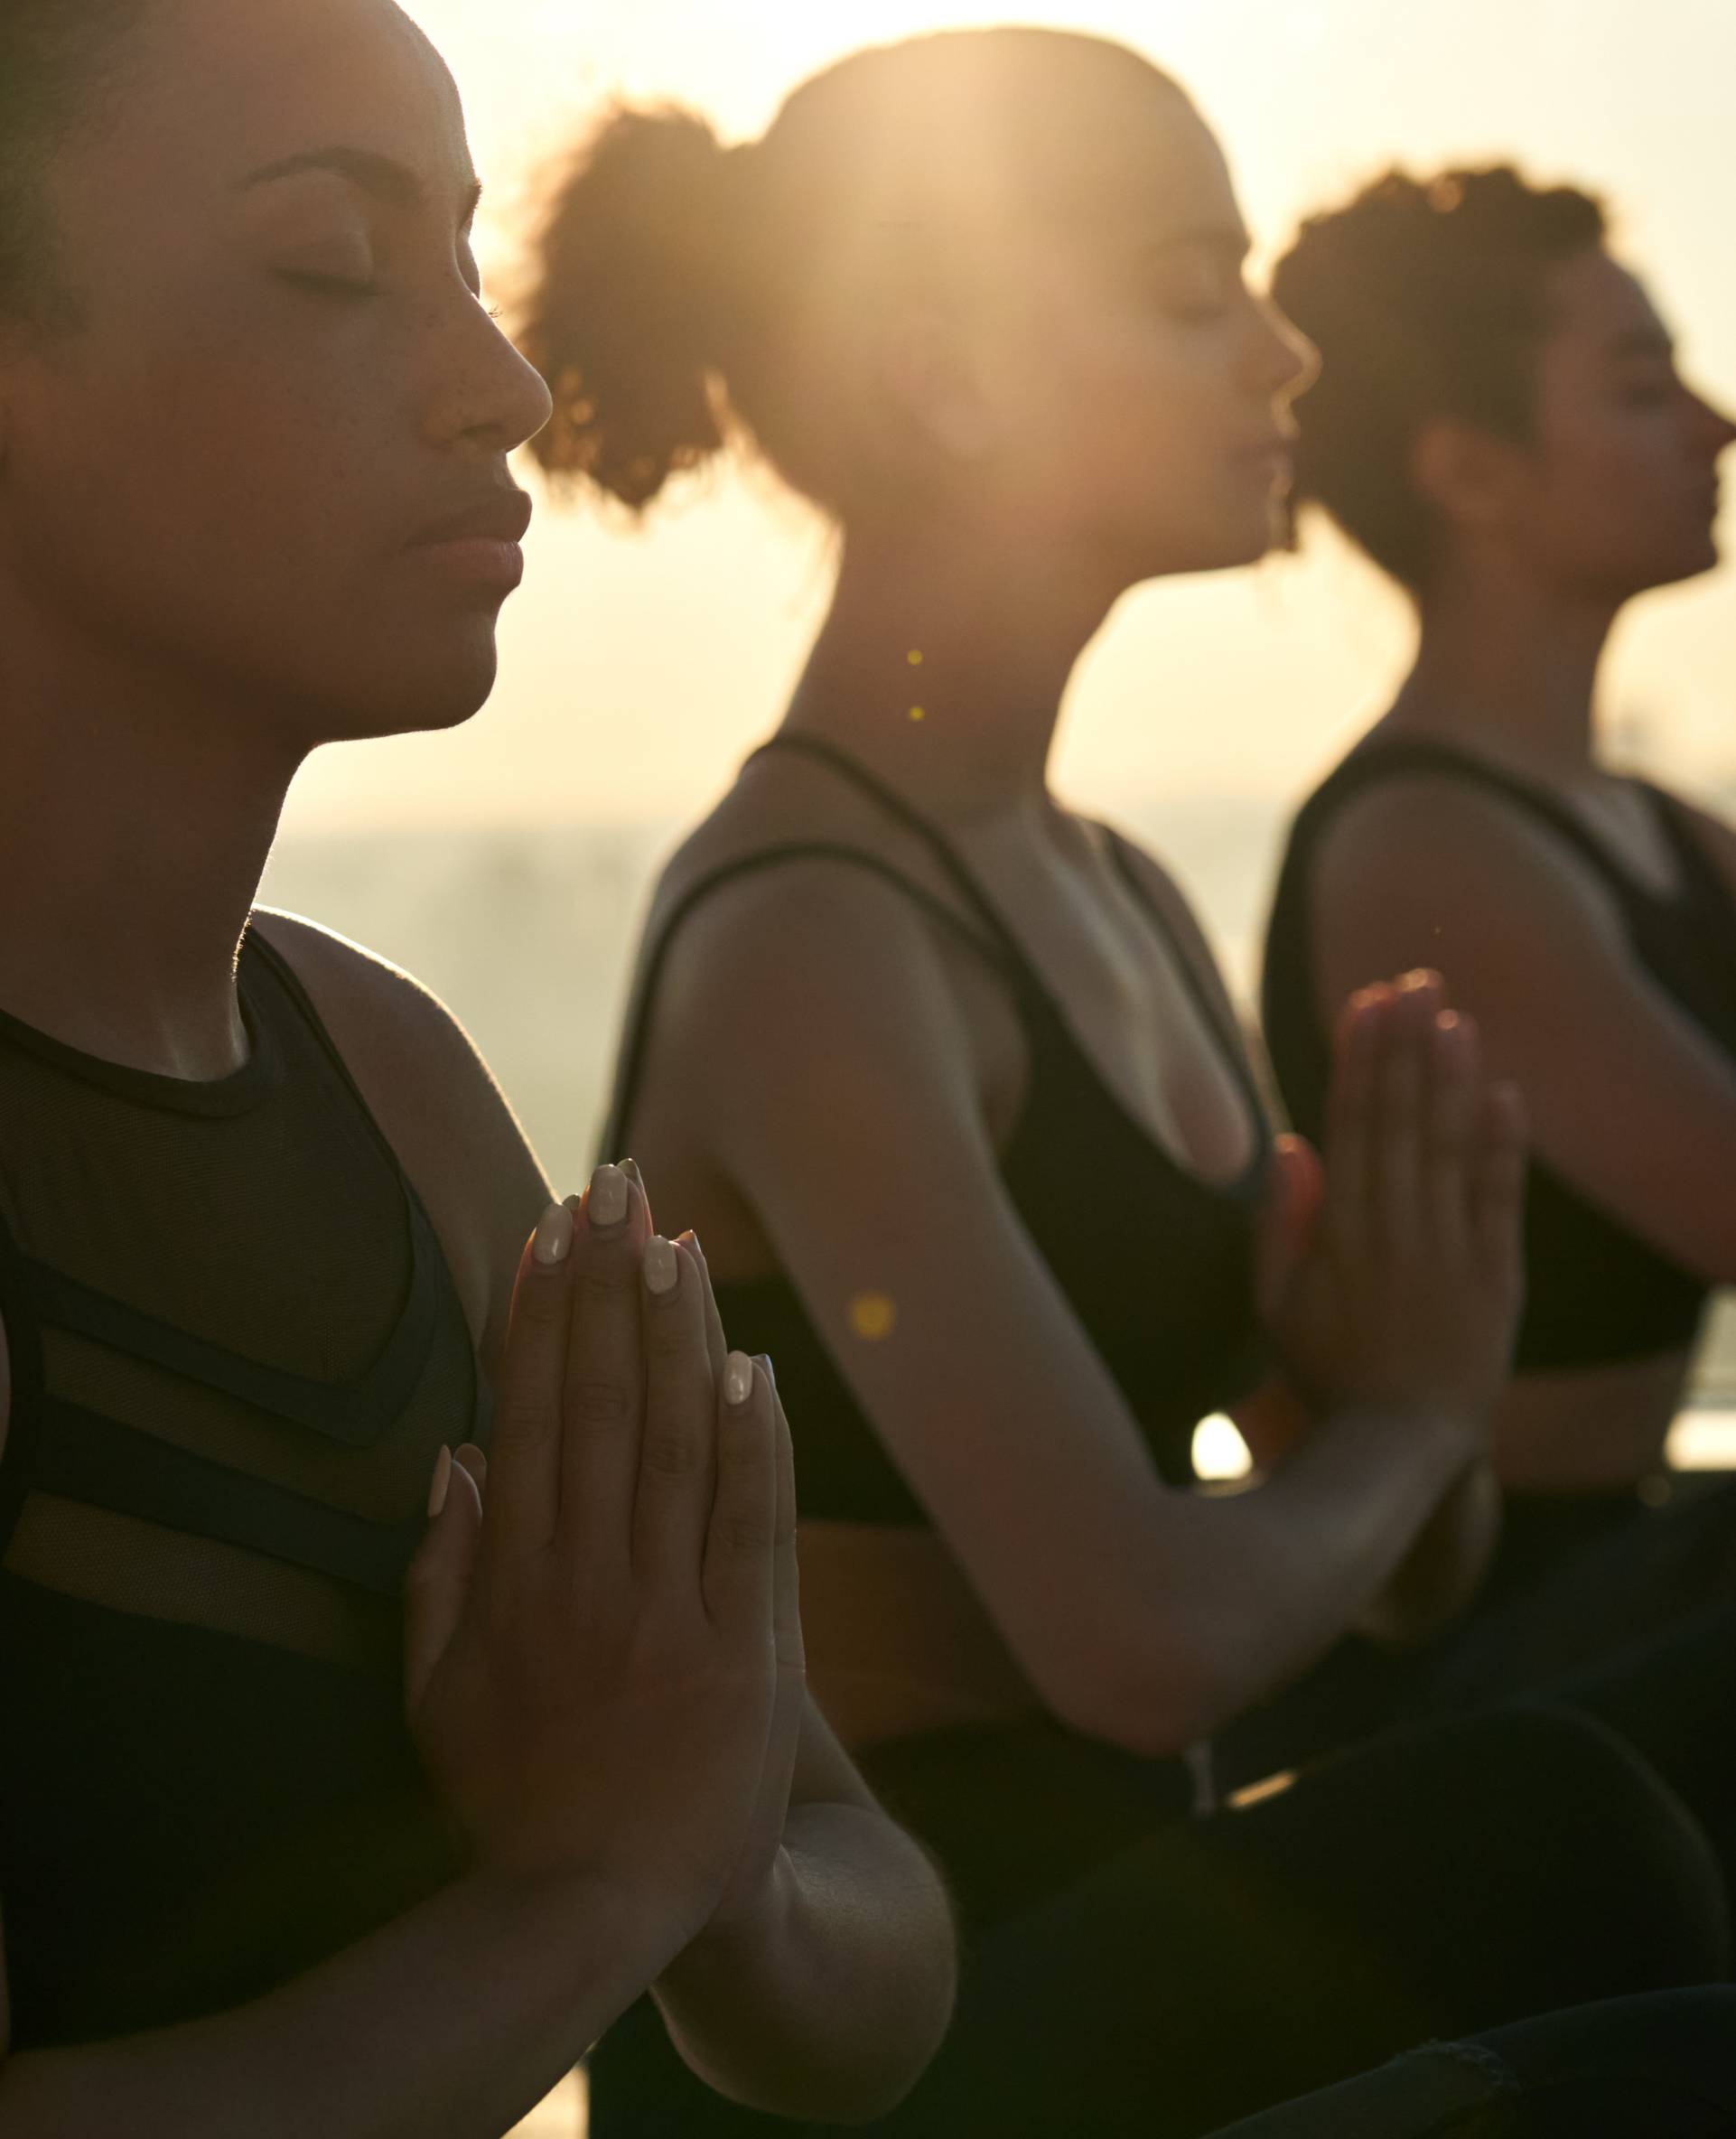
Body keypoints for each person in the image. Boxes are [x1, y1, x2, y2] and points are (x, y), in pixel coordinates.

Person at [520, 32, 1734, 2133]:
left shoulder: (1124, 892)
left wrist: (1391, 1398)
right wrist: (1423, 1413)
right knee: (1555, 1828)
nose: (1280, 358)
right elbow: (1140, 1642)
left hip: (1126, 1914)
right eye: (1194, 290)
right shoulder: (813, 931)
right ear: (942, 373)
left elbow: (1402, 1563)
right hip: (869, 2045)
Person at [0, 0, 958, 2129]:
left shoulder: (390, 1069)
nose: (502, 386)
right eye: (336, 265)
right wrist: (602, 1882)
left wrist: (697, 1834)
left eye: (463, 260)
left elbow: (867, 1924)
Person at [1262, 166, 1736, 1705]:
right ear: (1466, 467)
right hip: (1503, 1651)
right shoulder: (1426, 852)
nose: (1711, 426)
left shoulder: (1662, 832)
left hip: (1652, 1573)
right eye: (1638, 384)